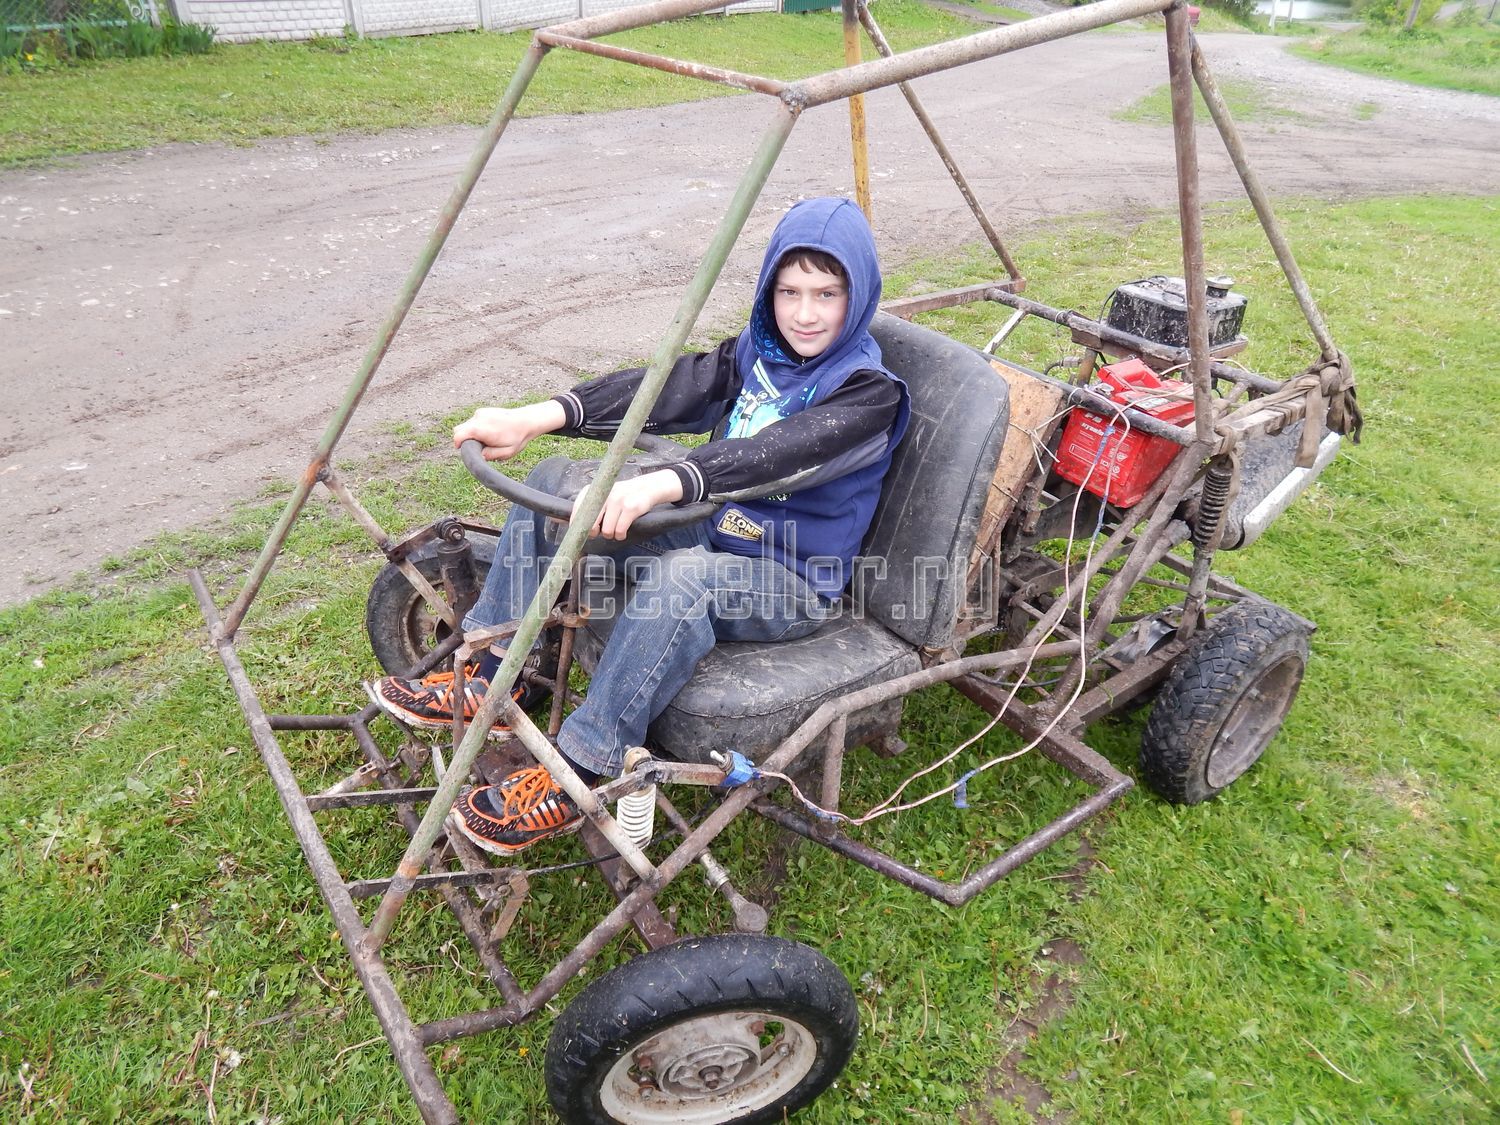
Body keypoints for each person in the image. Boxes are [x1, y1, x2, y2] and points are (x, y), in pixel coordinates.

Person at [369, 196, 910, 856]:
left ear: (857, 297)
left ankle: (579, 771)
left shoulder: (868, 392)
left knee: (685, 581)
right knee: (555, 488)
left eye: (827, 293)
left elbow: (780, 449)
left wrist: (672, 479)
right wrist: (543, 415)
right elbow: (670, 388)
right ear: (768, 288)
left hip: (789, 575)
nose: (804, 312)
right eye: (789, 290)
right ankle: (490, 667)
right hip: (718, 525)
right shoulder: (760, 354)